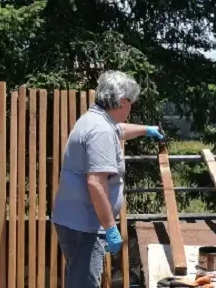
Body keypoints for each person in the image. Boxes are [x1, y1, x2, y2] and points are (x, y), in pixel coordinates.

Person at [51, 70, 164, 288]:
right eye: (131, 102)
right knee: (84, 283)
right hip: (85, 225)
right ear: (122, 101)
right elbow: (96, 182)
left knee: (78, 278)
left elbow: (119, 130)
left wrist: (147, 130)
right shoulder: (101, 129)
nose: (132, 107)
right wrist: (111, 227)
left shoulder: (94, 120)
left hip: (75, 221)